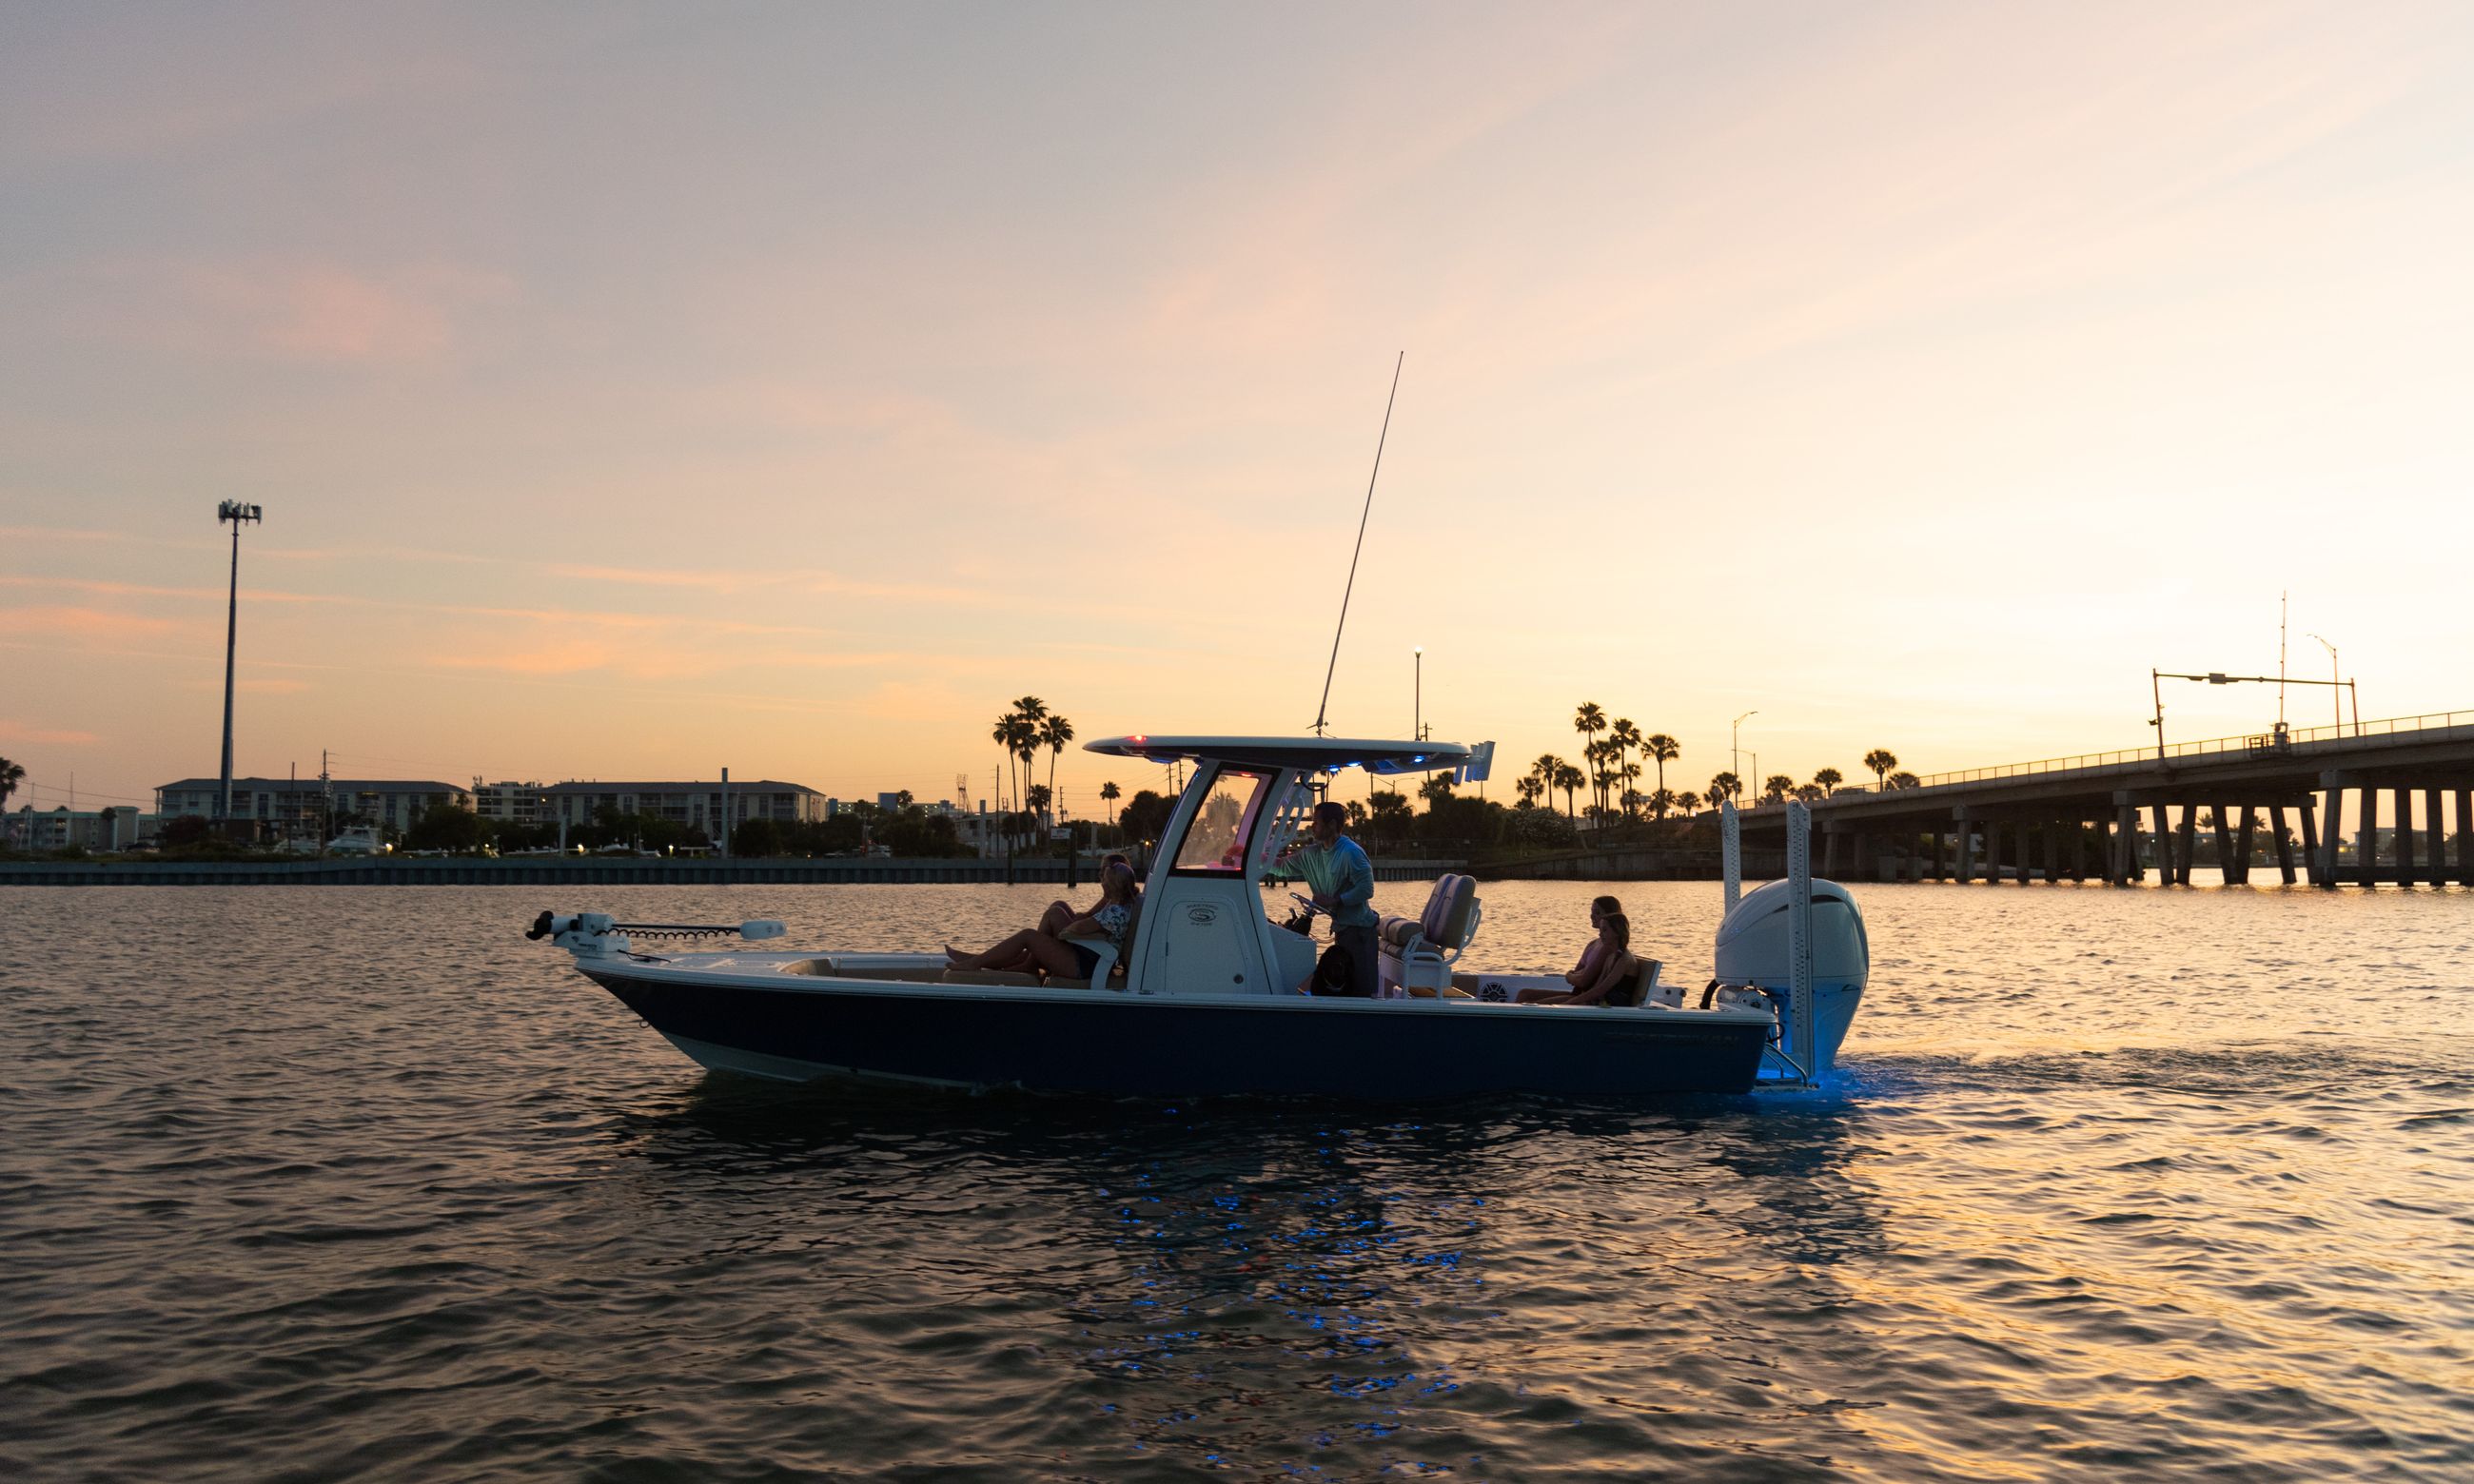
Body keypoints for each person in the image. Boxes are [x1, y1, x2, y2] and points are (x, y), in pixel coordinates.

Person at [949, 861, 1140, 981]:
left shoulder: (1115, 911)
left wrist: (1067, 931)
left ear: (1114, 885)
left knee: (1028, 936)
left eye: (1105, 880)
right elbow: (1086, 925)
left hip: (1084, 964)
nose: (1102, 882)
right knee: (1055, 912)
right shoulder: (1120, 905)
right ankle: (981, 959)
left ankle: (977, 962)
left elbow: (1078, 928)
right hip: (1088, 957)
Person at [1275, 800, 1380, 999]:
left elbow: (1366, 889)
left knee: (1361, 992)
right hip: (1342, 929)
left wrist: (1334, 900)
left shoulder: (1351, 852)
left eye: (1316, 822)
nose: (1312, 826)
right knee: (1346, 988)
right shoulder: (1313, 854)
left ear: (1332, 825)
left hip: (1359, 932)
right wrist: (1250, 859)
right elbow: (1282, 866)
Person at [1521, 895, 1621, 1003]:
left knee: (1533, 1005)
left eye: (1597, 913)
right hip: (1576, 993)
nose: (1592, 916)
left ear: (1610, 916)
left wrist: (1569, 975)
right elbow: (1578, 972)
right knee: (1524, 994)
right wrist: (1574, 976)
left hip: (1584, 998)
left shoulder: (1607, 948)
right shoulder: (1593, 944)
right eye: (1591, 912)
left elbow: (1582, 980)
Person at [1526, 913, 1639, 1006]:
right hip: (1602, 1001)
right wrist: (1573, 1000)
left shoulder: (1624, 959)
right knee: (1546, 1003)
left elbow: (1602, 989)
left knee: (1565, 1004)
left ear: (1617, 932)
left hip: (1614, 1005)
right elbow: (1597, 987)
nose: (1600, 934)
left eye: (1605, 930)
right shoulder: (1611, 956)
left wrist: (1571, 1002)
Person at [1038, 853, 1130, 938]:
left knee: (1053, 913)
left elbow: (1084, 926)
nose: (1100, 873)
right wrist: (1080, 917)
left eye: (1105, 869)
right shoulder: (1113, 898)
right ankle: (1036, 950)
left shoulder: (1116, 908)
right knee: (1059, 904)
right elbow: (1089, 915)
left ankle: (1037, 950)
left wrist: (1076, 924)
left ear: (1115, 874)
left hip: (1086, 943)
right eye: (1101, 869)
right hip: (1086, 935)